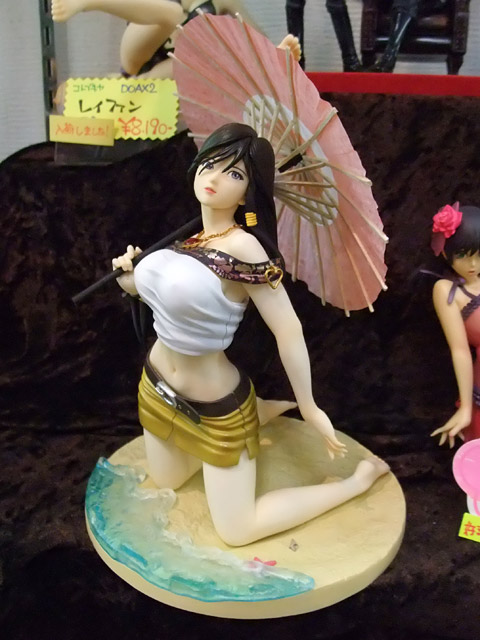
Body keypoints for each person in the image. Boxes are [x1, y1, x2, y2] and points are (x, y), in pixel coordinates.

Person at [112, 122, 388, 547]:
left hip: (216, 407)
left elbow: (288, 329)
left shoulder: (244, 249)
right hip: (157, 387)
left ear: (247, 193)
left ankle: (354, 483)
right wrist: (129, 276)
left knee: (237, 531)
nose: (215, 177)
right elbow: (154, 296)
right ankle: (263, 412)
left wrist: (310, 406)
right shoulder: (189, 239)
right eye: (210, 164)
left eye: (235, 173)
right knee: (165, 480)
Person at [52, 0, 300, 80]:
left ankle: (270, 62)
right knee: (172, 13)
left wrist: (272, 54)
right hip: (136, 60)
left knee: (216, 56)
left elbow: (251, 34)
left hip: (166, 74)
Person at [430, 204, 480, 448]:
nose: (473, 264)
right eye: (462, 255)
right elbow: (460, 350)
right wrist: (466, 407)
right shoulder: (448, 291)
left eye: (479, 255)